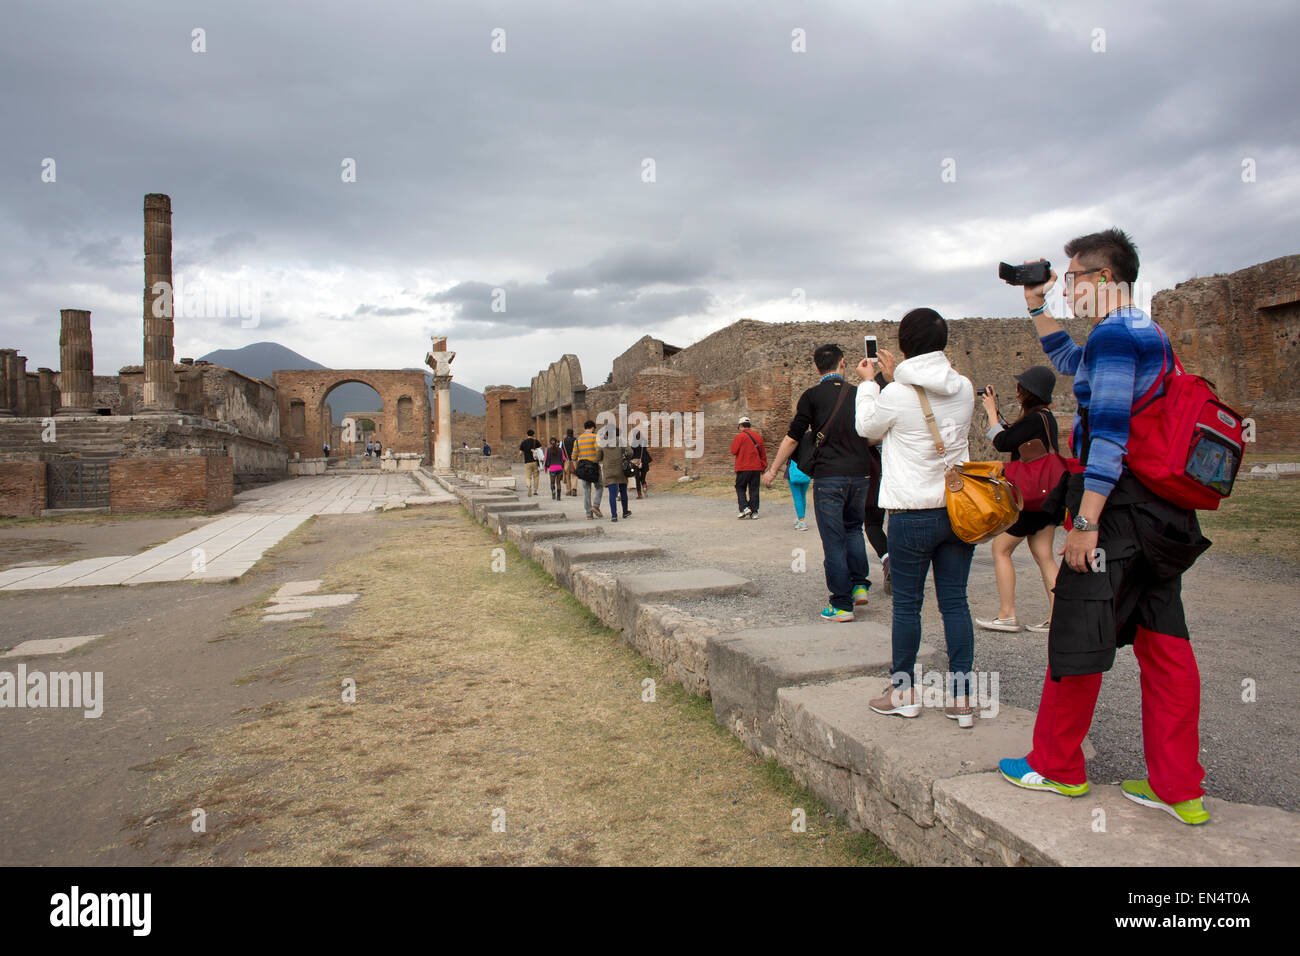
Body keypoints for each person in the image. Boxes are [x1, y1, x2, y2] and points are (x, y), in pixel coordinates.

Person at [998, 228, 1212, 826]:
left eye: (1070, 280)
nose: (1067, 290)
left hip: (1118, 512)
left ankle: (1057, 765)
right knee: (1163, 640)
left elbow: (1110, 435)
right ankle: (1178, 787)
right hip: (1164, 515)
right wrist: (1035, 304)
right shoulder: (1145, 332)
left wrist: (1086, 521)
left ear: (1101, 280)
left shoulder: (1117, 336)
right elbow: (1070, 362)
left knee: (1079, 628)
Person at [853, 309, 977, 727]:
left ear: (903, 345)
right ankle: (961, 699)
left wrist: (871, 384)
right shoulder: (965, 388)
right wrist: (896, 378)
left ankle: (903, 692)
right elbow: (932, 397)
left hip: (911, 513)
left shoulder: (894, 393)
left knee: (908, 606)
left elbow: (868, 429)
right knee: (955, 603)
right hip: (959, 512)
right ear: (944, 342)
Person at [762, 344, 874, 622]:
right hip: (860, 474)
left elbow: (793, 437)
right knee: (854, 529)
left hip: (829, 477)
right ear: (843, 364)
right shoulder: (859, 394)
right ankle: (859, 584)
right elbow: (874, 435)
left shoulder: (811, 396)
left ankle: (841, 605)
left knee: (833, 540)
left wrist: (774, 469)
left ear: (816, 368)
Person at [975, 366, 1061, 634]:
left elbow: (1002, 442)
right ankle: (1059, 617)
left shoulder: (1033, 420)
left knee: (1000, 550)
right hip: (1049, 498)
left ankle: (1007, 614)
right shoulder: (1047, 418)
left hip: (1030, 500)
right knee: (1044, 555)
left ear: (1028, 393)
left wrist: (990, 411)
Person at [731, 417, 767, 519]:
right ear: (750, 426)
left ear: (740, 426)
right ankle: (754, 512)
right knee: (754, 489)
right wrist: (763, 468)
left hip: (743, 467)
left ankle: (744, 508)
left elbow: (733, 451)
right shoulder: (758, 437)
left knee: (740, 487)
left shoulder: (739, 437)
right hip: (756, 468)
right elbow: (763, 454)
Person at [597, 429, 631, 522]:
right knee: (623, 491)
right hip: (621, 470)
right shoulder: (621, 441)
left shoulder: (603, 443)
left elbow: (598, 457)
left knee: (612, 494)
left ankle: (614, 515)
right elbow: (630, 452)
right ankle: (625, 512)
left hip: (609, 471)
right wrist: (626, 457)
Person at [573, 419, 603, 518]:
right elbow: (598, 450)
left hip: (582, 467)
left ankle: (588, 514)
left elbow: (574, 456)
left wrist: (577, 469)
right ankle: (596, 505)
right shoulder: (594, 437)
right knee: (599, 487)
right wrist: (599, 461)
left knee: (586, 490)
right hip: (594, 466)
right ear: (592, 428)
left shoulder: (578, 440)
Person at [786, 457, 810, 531]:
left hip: (794, 474)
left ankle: (801, 521)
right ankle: (800, 517)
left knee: (797, 497)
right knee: (802, 496)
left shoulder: (791, 446)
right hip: (806, 473)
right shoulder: (808, 446)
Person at [520, 429, 543, 497]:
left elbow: (520, 453)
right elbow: (540, 450)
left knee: (528, 476)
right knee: (536, 476)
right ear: (533, 434)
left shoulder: (523, 442)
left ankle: (529, 486)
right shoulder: (536, 441)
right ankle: (535, 491)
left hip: (527, 462)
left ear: (527, 434)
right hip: (535, 462)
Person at [562, 428, 579, 496]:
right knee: (575, 475)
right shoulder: (576, 440)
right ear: (572, 433)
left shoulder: (563, 441)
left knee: (567, 476)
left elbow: (562, 451)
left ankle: (568, 490)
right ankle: (574, 489)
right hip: (574, 460)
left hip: (567, 460)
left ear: (567, 433)